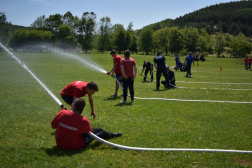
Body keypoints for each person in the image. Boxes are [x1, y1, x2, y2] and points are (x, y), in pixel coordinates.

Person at [51, 98, 122, 150]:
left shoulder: (62, 113)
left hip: (59, 144)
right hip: (73, 146)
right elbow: (89, 131)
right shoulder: (84, 120)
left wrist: (65, 114)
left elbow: (53, 126)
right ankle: (112, 135)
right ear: (82, 108)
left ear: (73, 105)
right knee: (98, 130)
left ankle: (111, 135)